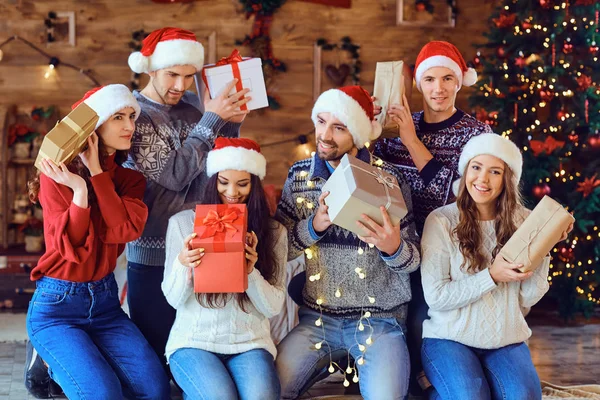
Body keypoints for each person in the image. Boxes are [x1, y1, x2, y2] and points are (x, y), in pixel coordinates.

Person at [275, 85, 420, 399]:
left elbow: (413, 261)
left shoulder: (389, 180)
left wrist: (392, 247)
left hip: (379, 321)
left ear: (357, 133)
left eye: (338, 127)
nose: (325, 135)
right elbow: (278, 252)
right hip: (318, 320)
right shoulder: (300, 177)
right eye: (321, 121)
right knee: (270, 390)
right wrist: (313, 227)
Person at [25, 85, 170, 399]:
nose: (129, 125)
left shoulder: (130, 180)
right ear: (94, 125)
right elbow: (71, 245)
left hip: (105, 305)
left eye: (132, 116)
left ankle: (80, 355)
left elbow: (123, 231)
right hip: (57, 306)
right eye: (118, 117)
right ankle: (49, 358)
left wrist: (96, 173)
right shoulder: (57, 174)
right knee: (104, 395)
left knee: (155, 391)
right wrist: (79, 190)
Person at [125, 26, 251, 366]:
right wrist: (214, 118)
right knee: (155, 363)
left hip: (206, 246)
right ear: (150, 67)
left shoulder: (197, 106)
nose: (180, 86)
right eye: (172, 74)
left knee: (197, 357)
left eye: (188, 76)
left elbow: (216, 165)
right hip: (151, 258)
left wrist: (232, 125)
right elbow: (175, 174)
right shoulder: (135, 114)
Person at [372, 40, 494, 392]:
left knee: (418, 322)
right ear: (418, 84)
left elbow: (461, 194)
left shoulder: (476, 135)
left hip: (449, 255)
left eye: (446, 79)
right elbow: (371, 173)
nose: (438, 89)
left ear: (459, 82)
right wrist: (369, 128)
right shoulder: (396, 129)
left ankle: (431, 384)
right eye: (429, 80)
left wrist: (413, 141)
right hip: (397, 248)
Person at [420, 133, 572, 400]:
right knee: (470, 396)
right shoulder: (441, 221)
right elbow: (436, 297)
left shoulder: (525, 220)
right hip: (448, 339)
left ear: (507, 179)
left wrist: (544, 249)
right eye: (476, 167)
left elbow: (529, 296)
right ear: (466, 170)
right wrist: (491, 276)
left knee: (523, 396)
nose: (482, 179)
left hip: (505, 339)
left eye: (494, 171)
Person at [162, 138, 286, 400]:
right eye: (223, 181)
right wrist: (183, 264)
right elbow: (173, 299)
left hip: (250, 344)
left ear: (254, 184)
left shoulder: (274, 233)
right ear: (212, 181)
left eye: (242, 183)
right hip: (192, 342)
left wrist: (250, 272)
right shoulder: (184, 224)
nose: (232, 191)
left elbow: (273, 307)